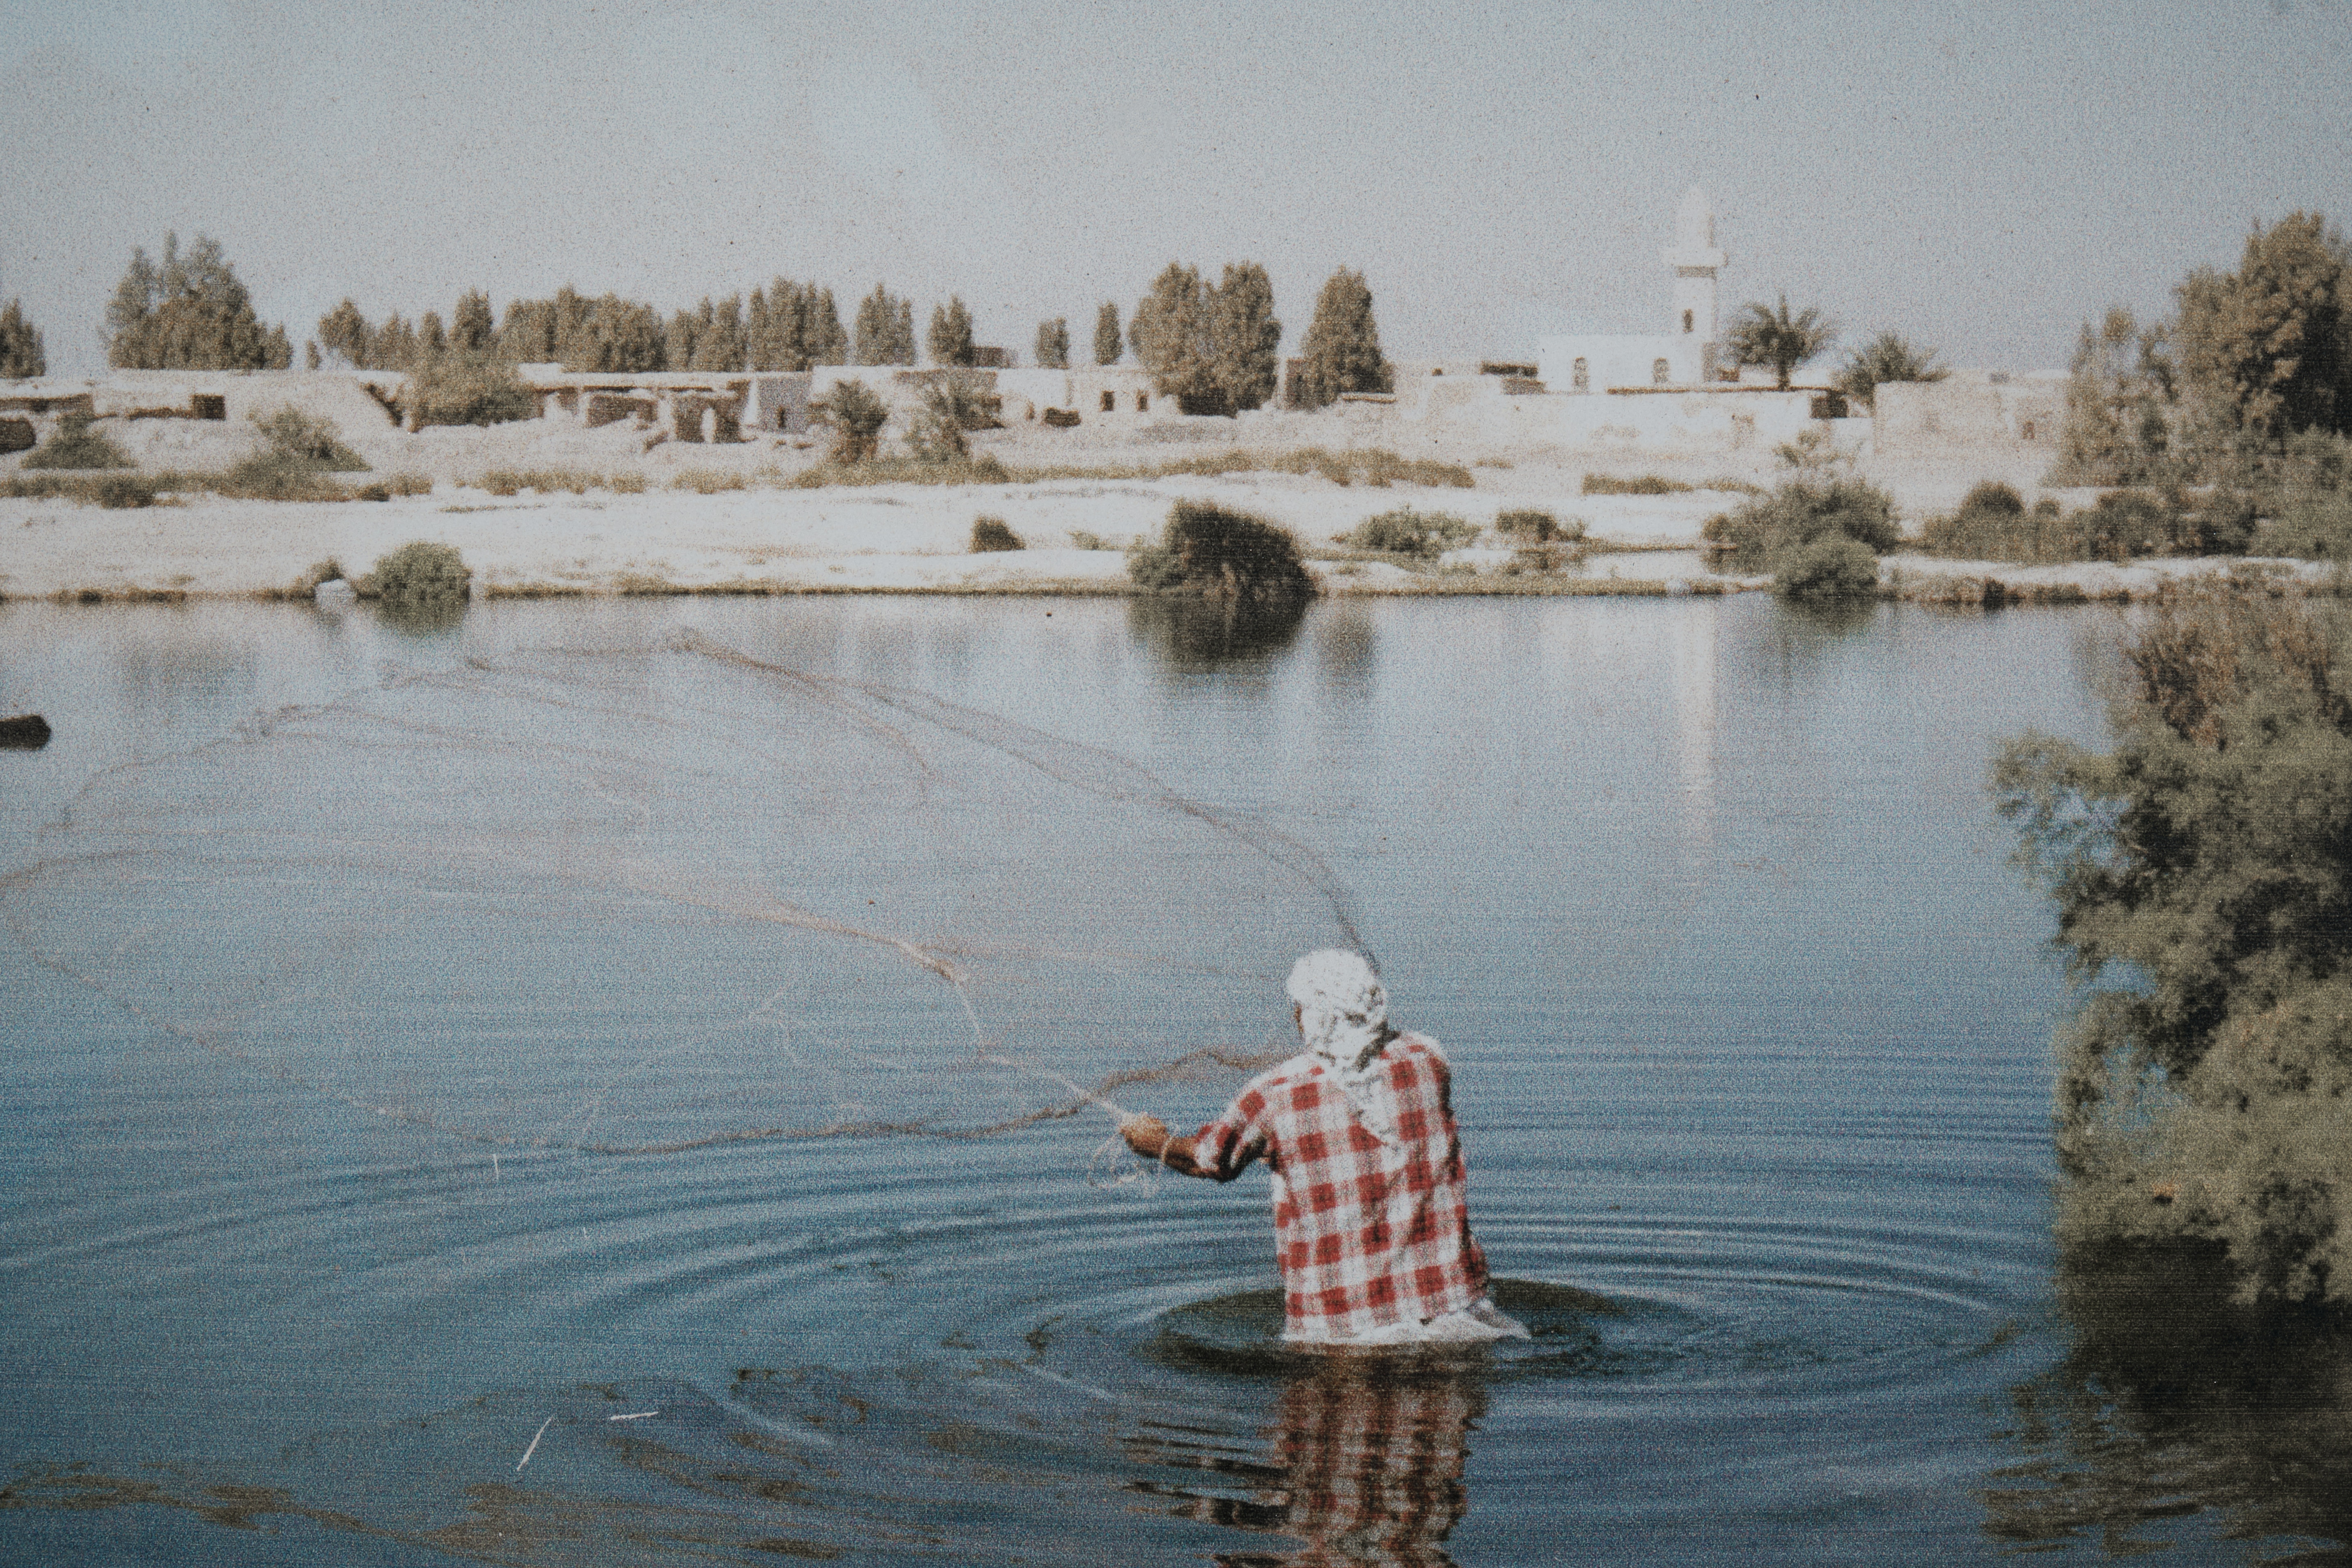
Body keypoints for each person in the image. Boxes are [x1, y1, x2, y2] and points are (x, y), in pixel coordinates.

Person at [1121, 949, 1526, 1347]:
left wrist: (1155, 1142)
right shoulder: (1429, 1060)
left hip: (1343, 1327)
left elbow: (1209, 1160)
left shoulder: (1274, 1094)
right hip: (1457, 1310)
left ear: (1315, 1016)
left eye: (1299, 1008)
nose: (1295, 1018)